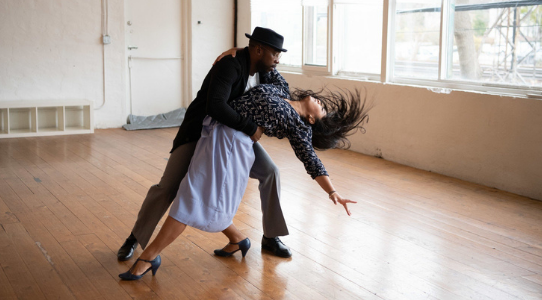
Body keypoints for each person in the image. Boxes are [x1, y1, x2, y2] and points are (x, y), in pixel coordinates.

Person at [118, 68, 369, 280]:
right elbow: (267, 62)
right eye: (323, 103)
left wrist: (332, 191)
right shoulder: (281, 89)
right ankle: (238, 240)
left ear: (313, 120)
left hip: (232, 144)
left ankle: (150, 257)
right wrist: (235, 51)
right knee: (192, 193)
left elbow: (312, 161)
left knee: (197, 194)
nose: (321, 102)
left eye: (322, 109)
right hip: (217, 134)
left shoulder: (299, 126)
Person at [117, 27, 293, 262]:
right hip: (201, 132)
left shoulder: (267, 71)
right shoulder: (229, 65)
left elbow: (284, 91)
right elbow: (216, 106)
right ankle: (134, 238)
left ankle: (271, 237)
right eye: (275, 54)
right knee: (168, 186)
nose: (278, 60)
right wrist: (252, 128)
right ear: (259, 50)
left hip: (235, 138)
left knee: (270, 172)